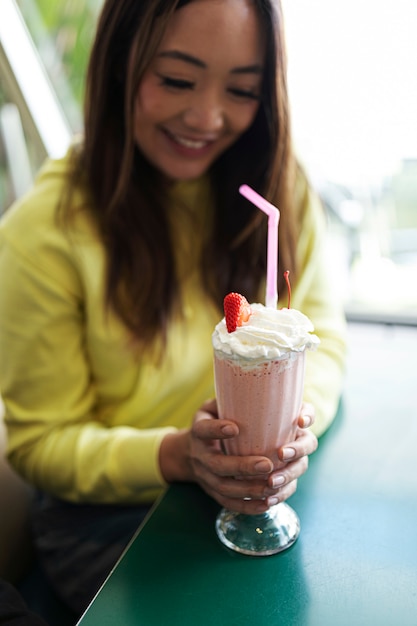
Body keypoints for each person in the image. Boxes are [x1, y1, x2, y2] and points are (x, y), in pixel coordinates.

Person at [0, 0, 346, 616]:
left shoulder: (278, 187)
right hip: (113, 518)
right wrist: (178, 453)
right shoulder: (41, 233)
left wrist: (295, 426)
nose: (207, 116)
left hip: (269, 487)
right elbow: (40, 443)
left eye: (241, 89)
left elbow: (327, 341)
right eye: (177, 80)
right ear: (117, 67)